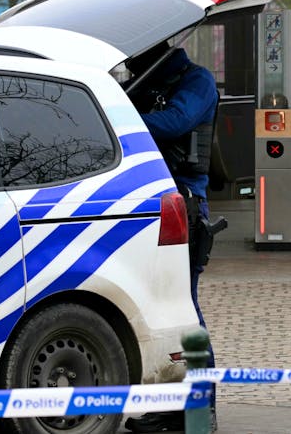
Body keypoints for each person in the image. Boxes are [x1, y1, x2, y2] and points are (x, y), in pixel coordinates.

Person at [123, 41, 220, 433]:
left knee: (185, 310)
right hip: (152, 201)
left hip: (186, 202)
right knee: (158, 310)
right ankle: (170, 405)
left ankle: (201, 410)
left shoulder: (197, 81)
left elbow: (176, 122)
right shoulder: (144, 84)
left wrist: (120, 116)